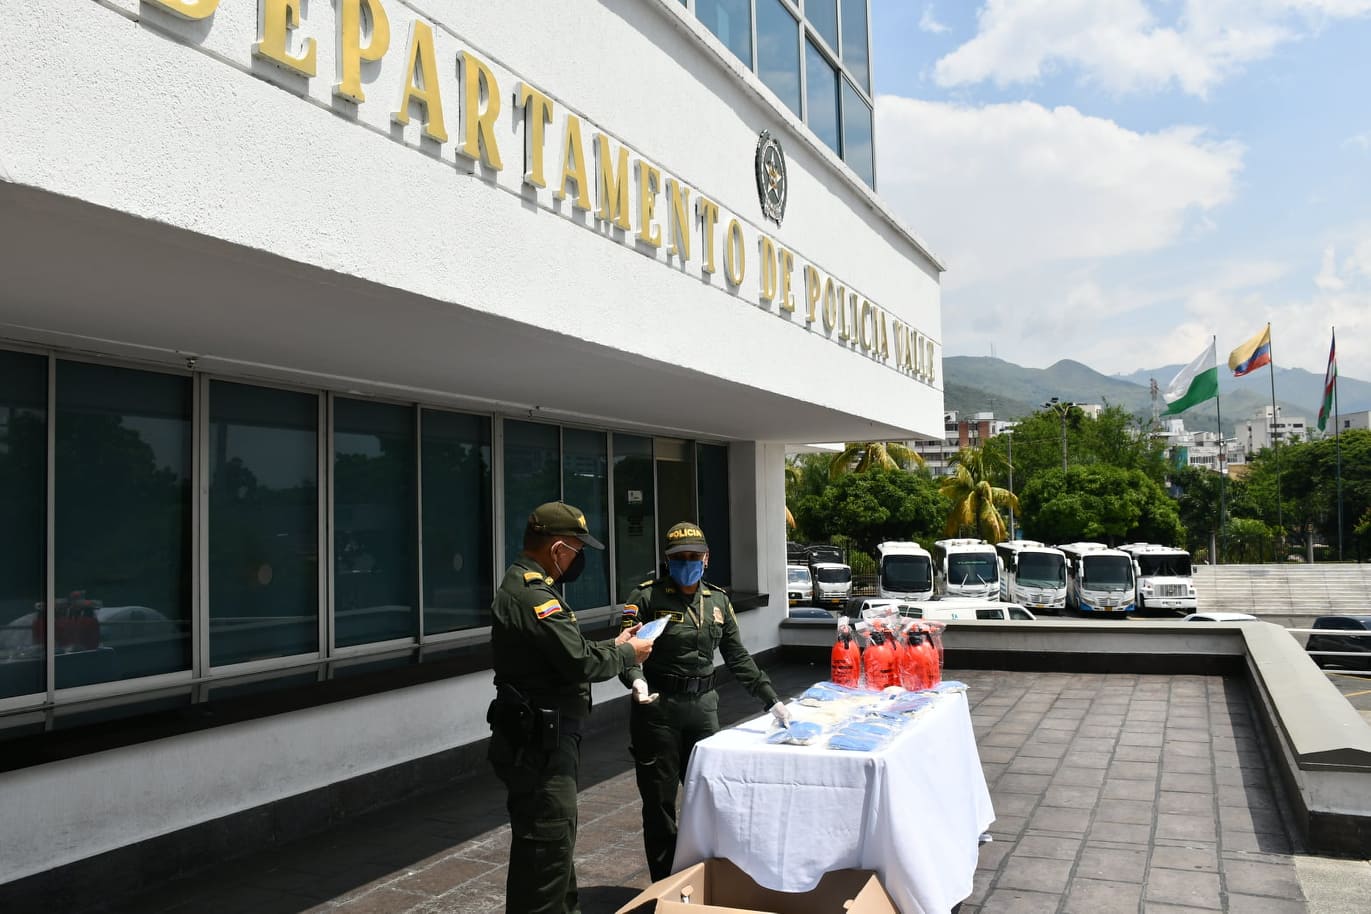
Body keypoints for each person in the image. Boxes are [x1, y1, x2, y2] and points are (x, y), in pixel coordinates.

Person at [488, 501, 654, 914]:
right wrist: (630, 653)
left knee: (554, 852)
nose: (578, 559)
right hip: (541, 750)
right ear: (559, 548)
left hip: (543, 744)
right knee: (545, 855)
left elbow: (568, 653)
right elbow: (581, 663)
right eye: (577, 549)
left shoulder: (528, 587)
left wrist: (615, 645)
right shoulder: (534, 596)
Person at [619, 521, 790, 880]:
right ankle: (664, 887)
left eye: (693, 556)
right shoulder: (647, 598)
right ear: (668, 560)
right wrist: (636, 681)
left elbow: (737, 656)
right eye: (679, 557)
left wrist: (769, 699)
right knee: (660, 805)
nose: (687, 563)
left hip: (703, 712)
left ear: (706, 558)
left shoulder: (718, 601)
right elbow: (625, 650)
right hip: (658, 710)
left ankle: (706, 882)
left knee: (710, 801)